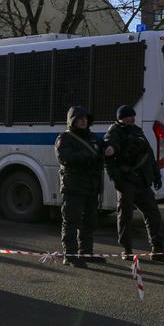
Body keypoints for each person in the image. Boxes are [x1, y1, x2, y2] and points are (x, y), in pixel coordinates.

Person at [104, 105, 164, 262]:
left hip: (142, 182)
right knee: (125, 216)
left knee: (153, 215)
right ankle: (127, 249)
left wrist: (156, 175)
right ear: (121, 117)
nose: (132, 118)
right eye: (129, 116)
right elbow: (109, 159)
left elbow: (149, 154)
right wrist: (118, 181)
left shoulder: (137, 131)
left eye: (133, 116)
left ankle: (157, 249)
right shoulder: (114, 133)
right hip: (127, 181)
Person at [55, 106, 105, 267]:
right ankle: (69, 255)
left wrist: (110, 149)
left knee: (89, 221)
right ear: (72, 120)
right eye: (79, 118)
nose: (83, 121)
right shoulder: (65, 138)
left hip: (91, 186)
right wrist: (88, 155)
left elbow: (104, 151)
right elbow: (65, 158)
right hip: (73, 186)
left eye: (85, 118)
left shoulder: (93, 138)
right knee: (71, 221)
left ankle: (85, 252)